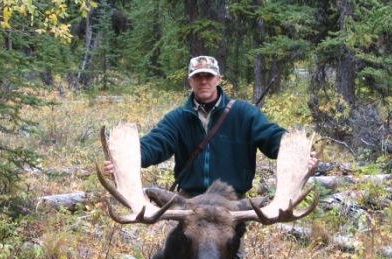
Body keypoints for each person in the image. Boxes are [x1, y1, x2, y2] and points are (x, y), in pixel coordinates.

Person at [104, 55, 318, 197]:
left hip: (230, 203)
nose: (203, 81)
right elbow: (153, 146)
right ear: (190, 81)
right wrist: (124, 160)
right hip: (190, 202)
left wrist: (298, 154)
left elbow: (273, 139)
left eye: (208, 76)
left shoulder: (244, 114)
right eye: (198, 77)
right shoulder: (178, 118)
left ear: (218, 79)